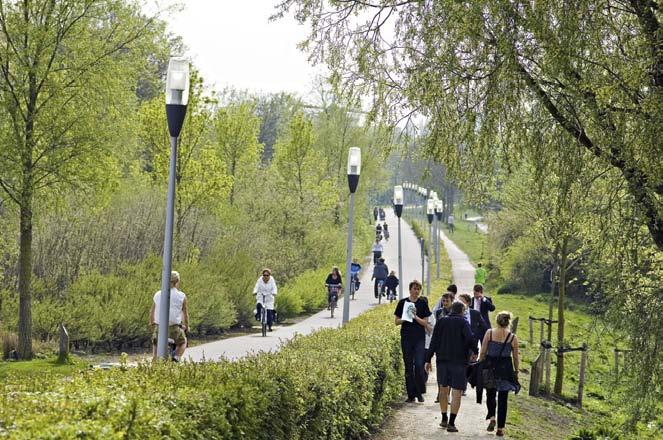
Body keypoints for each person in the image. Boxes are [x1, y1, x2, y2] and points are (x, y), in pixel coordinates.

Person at [425, 301, 474, 433]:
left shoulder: (441, 321)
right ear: (462, 311)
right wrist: (474, 351)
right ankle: (452, 423)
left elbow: (434, 340)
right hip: (459, 362)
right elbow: (470, 339)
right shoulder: (464, 323)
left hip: (442, 360)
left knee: (443, 389)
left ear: (451, 309)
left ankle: (443, 418)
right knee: (457, 391)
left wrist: (428, 359)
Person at [479, 311, 521, 437]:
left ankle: (492, 417)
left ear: (497, 321)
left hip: (490, 366)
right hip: (505, 368)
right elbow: (515, 357)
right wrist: (516, 371)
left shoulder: (490, 333)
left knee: (490, 393)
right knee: (503, 398)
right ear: (509, 322)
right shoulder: (513, 338)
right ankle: (501, 428)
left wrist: (480, 364)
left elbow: (483, 351)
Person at [394, 280, 431, 403]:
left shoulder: (422, 303)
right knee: (408, 366)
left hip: (419, 338)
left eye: (418, 289)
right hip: (406, 338)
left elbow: (425, 323)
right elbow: (396, 321)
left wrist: (415, 317)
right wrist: (406, 316)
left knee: (419, 366)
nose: (416, 291)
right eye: (414, 289)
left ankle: (419, 392)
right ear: (410, 289)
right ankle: (411, 395)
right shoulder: (403, 302)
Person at [150, 270, 189, 362]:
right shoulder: (181, 296)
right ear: (177, 282)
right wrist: (186, 326)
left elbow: (152, 311)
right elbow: (185, 314)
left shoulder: (158, 294)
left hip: (159, 328)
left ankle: (153, 365)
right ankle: (176, 357)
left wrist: (152, 323)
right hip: (174, 329)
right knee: (183, 342)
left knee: (156, 348)